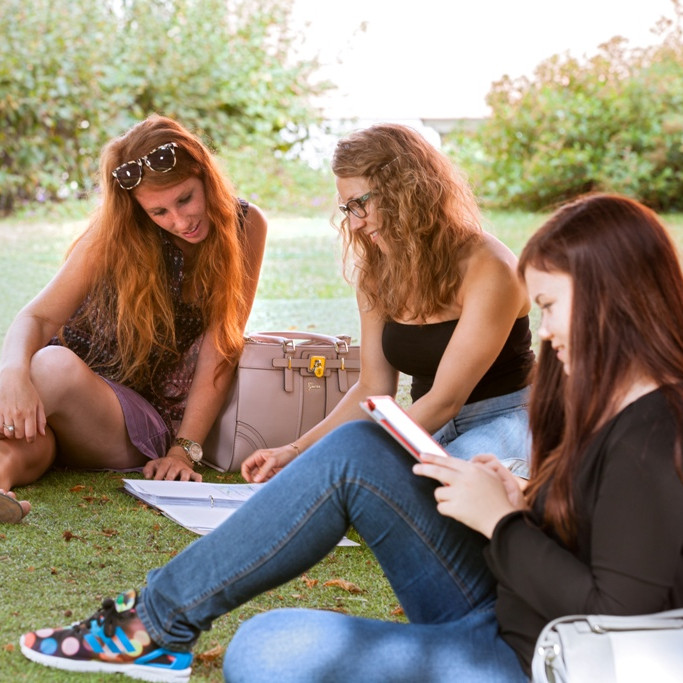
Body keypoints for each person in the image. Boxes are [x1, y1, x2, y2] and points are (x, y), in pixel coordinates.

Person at [20, 193, 683, 682]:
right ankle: (153, 623)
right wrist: (521, 495)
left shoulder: (654, 432)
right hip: (510, 606)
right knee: (360, 449)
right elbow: (601, 541)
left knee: (264, 649)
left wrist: (504, 520)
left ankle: (153, 627)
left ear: (607, 298)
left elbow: (618, 613)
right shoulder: (596, 395)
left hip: (537, 659)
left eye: (547, 305)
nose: (542, 328)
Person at [0, 114, 267, 522]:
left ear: (204, 175)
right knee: (26, 446)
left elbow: (221, 346)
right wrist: (13, 374)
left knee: (49, 365)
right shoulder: (117, 231)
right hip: (66, 410)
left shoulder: (246, 225)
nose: (180, 221)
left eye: (185, 199)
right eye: (159, 211)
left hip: (137, 423)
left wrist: (184, 449)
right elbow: (37, 317)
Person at [241, 123, 535, 484]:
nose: (355, 223)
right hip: (427, 424)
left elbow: (446, 400)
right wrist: (298, 451)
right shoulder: (377, 271)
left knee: (429, 494)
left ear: (407, 191)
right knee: (385, 487)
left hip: (505, 420)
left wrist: (354, 456)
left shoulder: (490, 269)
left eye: (360, 204)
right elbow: (372, 387)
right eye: (347, 208)